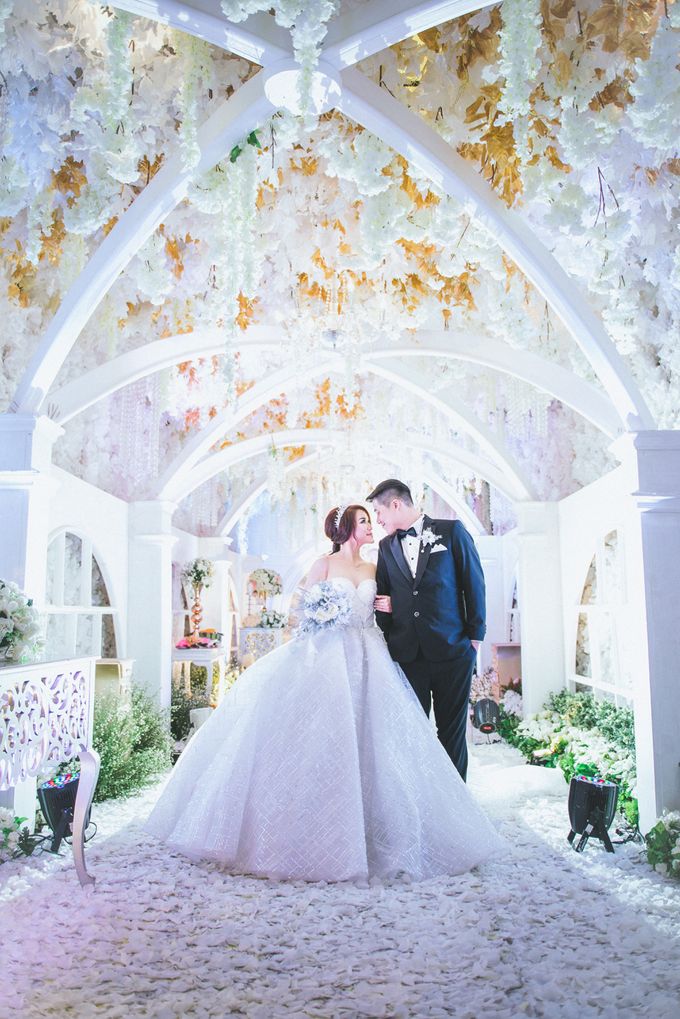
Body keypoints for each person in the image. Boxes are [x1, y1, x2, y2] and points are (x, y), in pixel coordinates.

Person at [146, 504, 501, 882]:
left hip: (370, 654)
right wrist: (321, 617)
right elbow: (302, 611)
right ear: (346, 527)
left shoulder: (375, 566)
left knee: (379, 739)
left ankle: (383, 827)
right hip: (328, 655)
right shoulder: (323, 564)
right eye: (364, 521)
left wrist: (392, 606)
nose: (371, 526)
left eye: (371, 519)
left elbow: (393, 607)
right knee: (322, 736)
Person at [368, 479, 486, 782]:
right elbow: (383, 595)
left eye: (379, 512)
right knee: (414, 735)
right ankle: (422, 799)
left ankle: (456, 802)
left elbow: (473, 583)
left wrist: (474, 640)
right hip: (408, 656)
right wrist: (392, 639)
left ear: (396, 504)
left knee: (452, 735)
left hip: (453, 652)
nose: (377, 520)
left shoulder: (452, 532)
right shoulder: (386, 547)